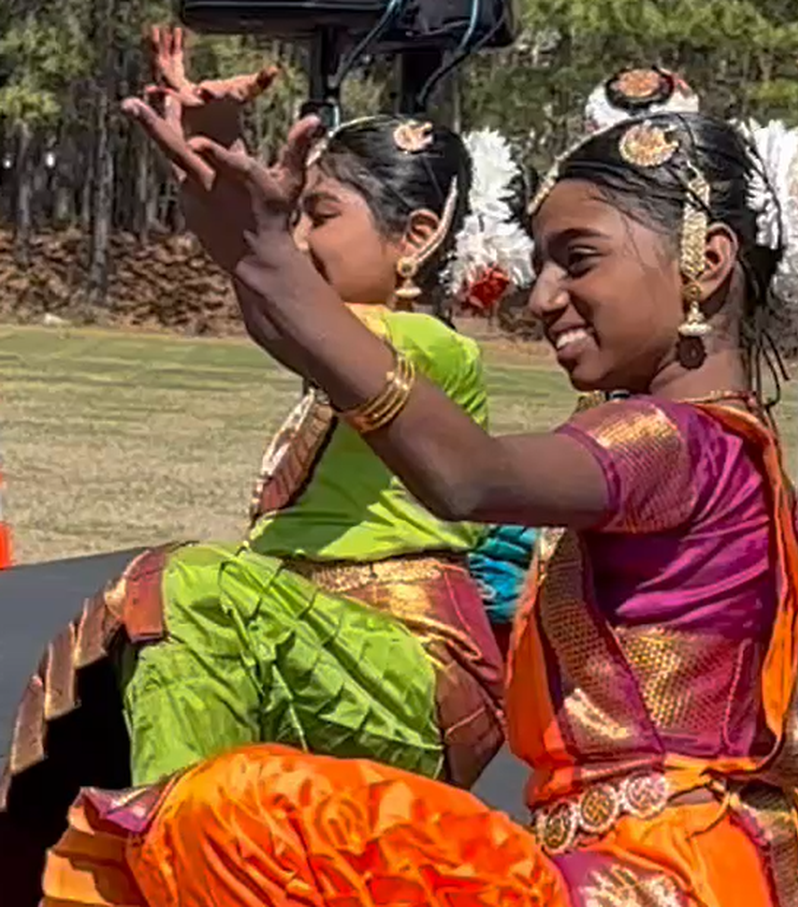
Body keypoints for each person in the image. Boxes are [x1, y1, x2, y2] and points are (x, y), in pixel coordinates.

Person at [41, 78, 798, 902]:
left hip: (655, 878)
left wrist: (267, 259)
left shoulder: (675, 439)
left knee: (232, 811)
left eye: (578, 260)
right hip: (646, 865)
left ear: (706, 262)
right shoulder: (718, 438)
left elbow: (469, 474)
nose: (544, 296)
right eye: (542, 265)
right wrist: (254, 260)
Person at [0, 27, 532, 904]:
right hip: (318, 642)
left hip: (411, 667)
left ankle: (176, 866)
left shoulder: (428, 348)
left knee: (191, 587)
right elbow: (283, 312)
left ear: (418, 236)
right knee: (167, 613)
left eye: (320, 215)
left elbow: (287, 320)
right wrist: (220, 178)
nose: (300, 235)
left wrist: (238, 196)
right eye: (295, 217)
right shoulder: (342, 339)